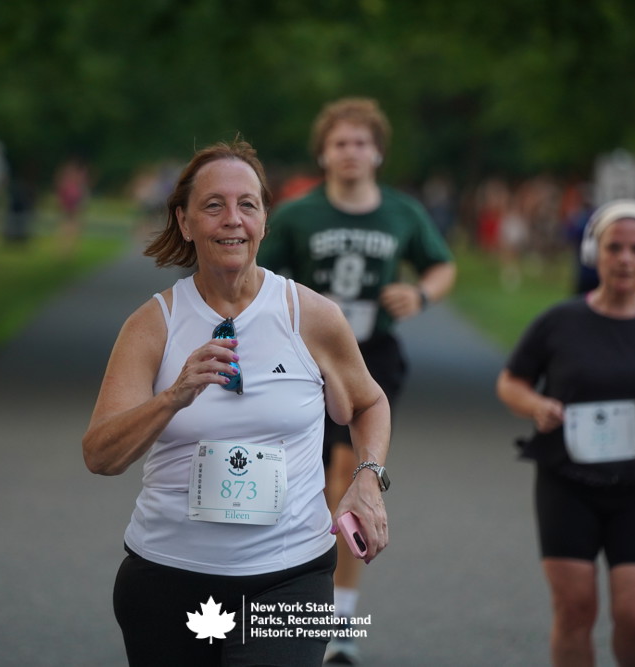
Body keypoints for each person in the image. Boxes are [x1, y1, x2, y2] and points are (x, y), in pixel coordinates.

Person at [82, 139, 391, 666]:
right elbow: (100, 455)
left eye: (247, 204)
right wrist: (173, 397)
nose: (233, 219)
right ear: (184, 222)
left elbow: (368, 403)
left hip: (291, 576)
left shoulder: (310, 315)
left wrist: (367, 478)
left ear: (265, 220)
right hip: (168, 576)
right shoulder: (153, 324)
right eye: (213, 205)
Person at [257, 97, 455, 664]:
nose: (350, 152)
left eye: (361, 143)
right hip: (306, 359)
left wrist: (419, 294)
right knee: (299, 481)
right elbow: (256, 273)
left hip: (373, 357)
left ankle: (338, 619)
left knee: (346, 474)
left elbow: (441, 265)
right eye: (339, 142)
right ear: (322, 153)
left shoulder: (402, 213)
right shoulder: (297, 215)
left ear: (378, 153)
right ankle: (288, 592)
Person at [496, 200, 635, 667]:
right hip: (568, 483)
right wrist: (536, 406)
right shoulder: (560, 321)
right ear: (595, 253)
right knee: (574, 610)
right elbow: (511, 382)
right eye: (614, 247)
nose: (625, 259)